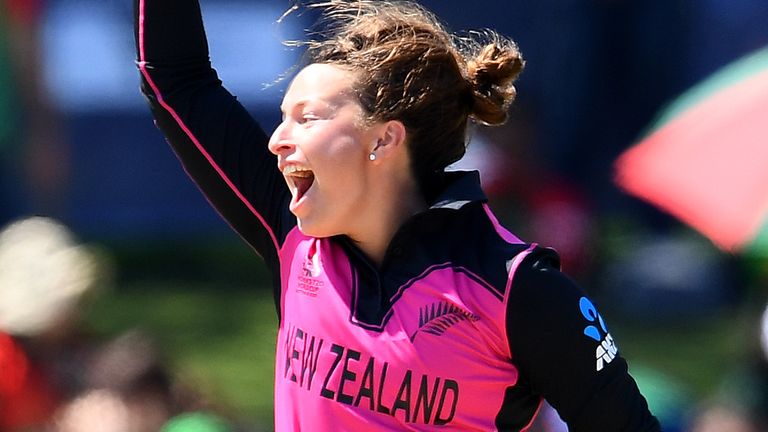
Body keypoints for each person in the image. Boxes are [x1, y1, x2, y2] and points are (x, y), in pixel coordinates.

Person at [134, 0, 660, 430]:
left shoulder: (519, 290)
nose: (276, 141)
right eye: (281, 118)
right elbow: (178, 82)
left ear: (383, 139)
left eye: (307, 118)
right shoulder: (293, 238)